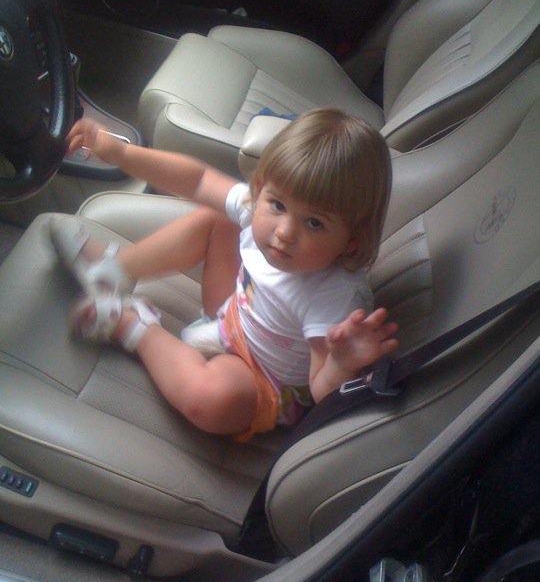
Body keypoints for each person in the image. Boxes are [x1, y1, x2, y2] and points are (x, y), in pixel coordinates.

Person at [50, 108, 399, 442]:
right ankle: (112, 272)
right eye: (277, 205)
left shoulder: (335, 298)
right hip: (233, 315)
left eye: (314, 223)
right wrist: (121, 154)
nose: (284, 232)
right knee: (220, 217)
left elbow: (324, 393)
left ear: (352, 242)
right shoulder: (258, 207)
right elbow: (197, 179)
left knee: (214, 400)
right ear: (261, 188)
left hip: (262, 379)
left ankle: (133, 325)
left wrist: (341, 363)